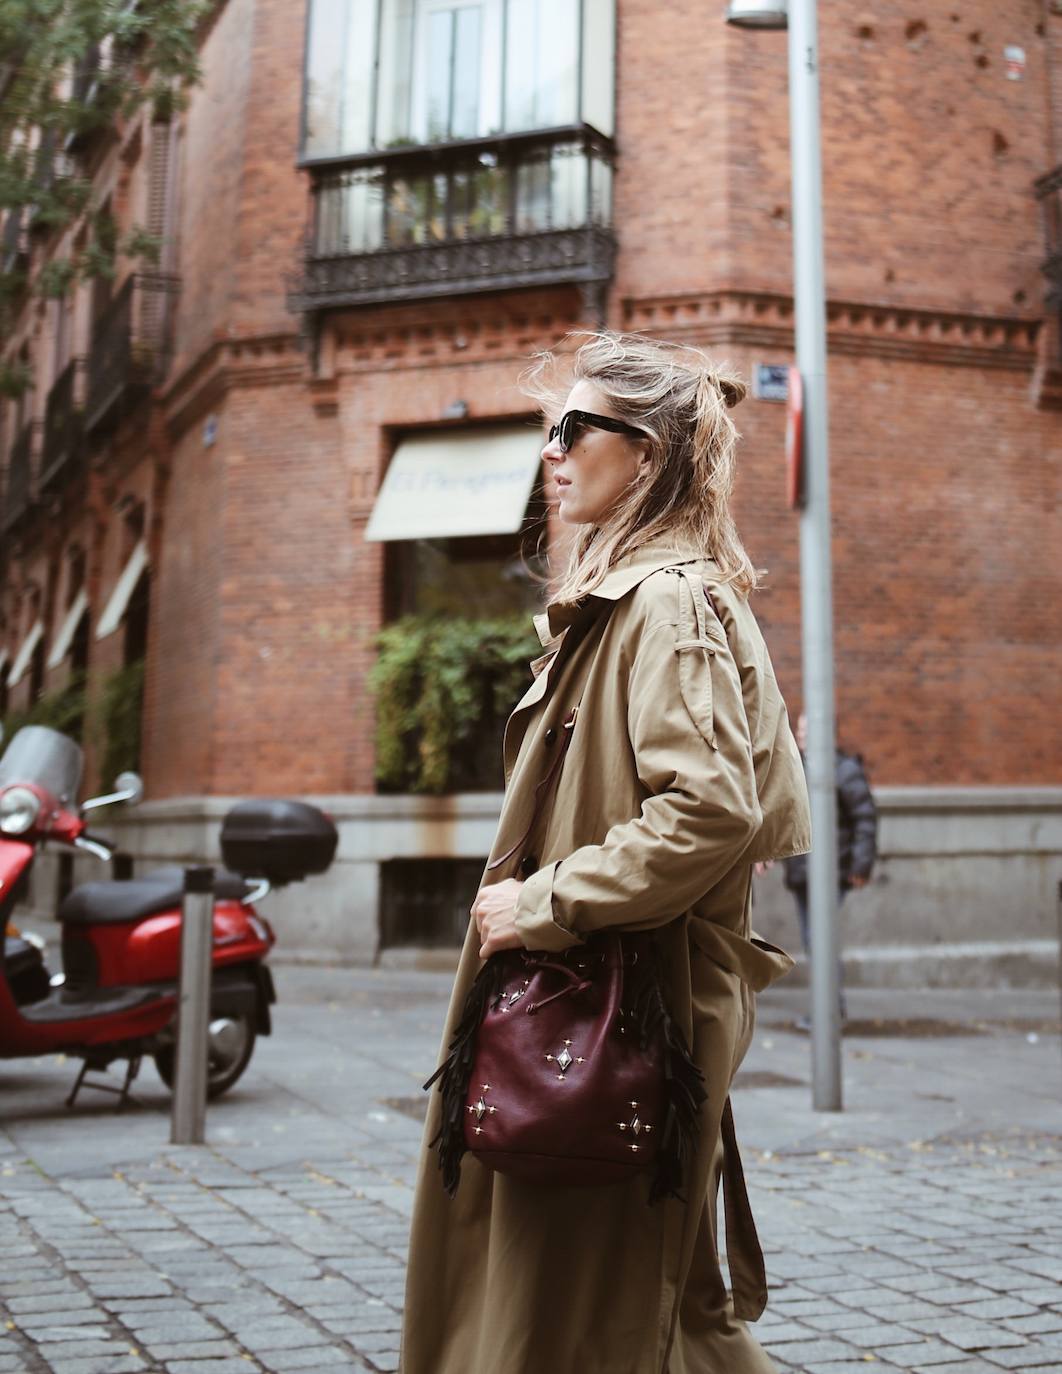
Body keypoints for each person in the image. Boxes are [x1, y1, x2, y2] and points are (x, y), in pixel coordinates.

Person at [400, 331, 811, 1374]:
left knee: (596, 1318)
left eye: (576, 428)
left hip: (615, 1010)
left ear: (648, 454)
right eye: (551, 428)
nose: (552, 450)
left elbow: (710, 811)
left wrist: (542, 904)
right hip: (595, 1004)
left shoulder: (665, 601)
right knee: (633, 1311)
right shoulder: (628, 600)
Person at [781, 712, 877, 1017]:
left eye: (806, 730)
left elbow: (865, 819)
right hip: (802, 873)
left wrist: (860, 866)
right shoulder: (796, 767)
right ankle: (830, 1007)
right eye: (799, 729)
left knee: (820, 940)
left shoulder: (844, 770)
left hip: (831, 873)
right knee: (813, 942)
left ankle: (829, 1010)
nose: (800, 735)